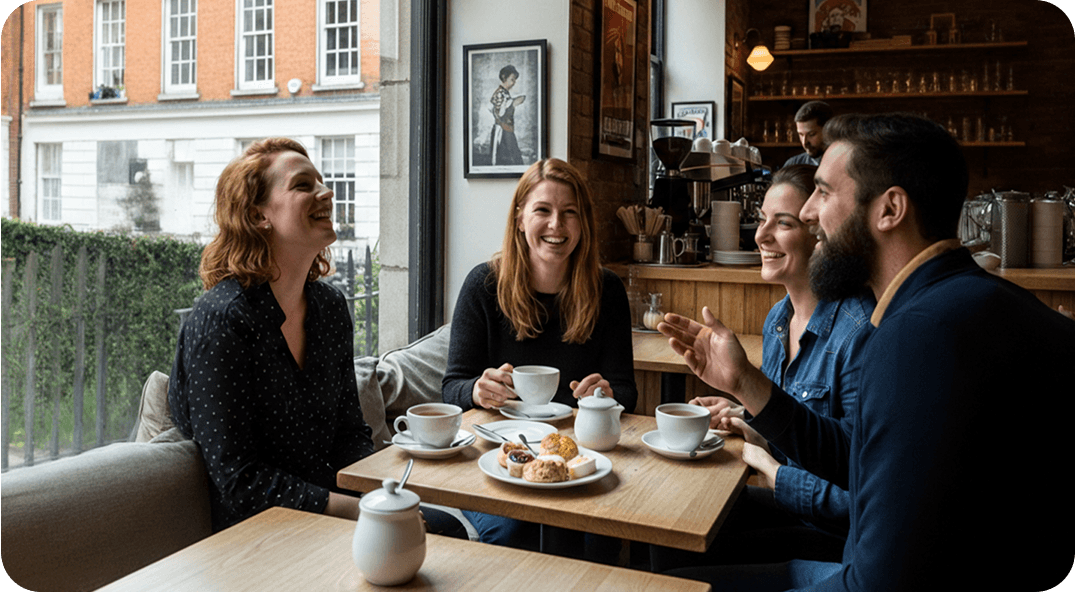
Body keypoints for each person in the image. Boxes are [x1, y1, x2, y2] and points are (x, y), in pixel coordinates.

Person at [658, 113, 1074, 591]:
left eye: (824, 192)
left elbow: (877, 582)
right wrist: (745, 384)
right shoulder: (977, 303)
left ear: (889, 209)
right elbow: (864, 458)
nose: (811, 213)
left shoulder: (917, 337)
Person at [168, 138, 465, 538]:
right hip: (261, 533)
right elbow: (239, 480)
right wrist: (358, 511)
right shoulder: (222, 320)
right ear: (259, 216)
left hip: (336, 509)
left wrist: (384, 496)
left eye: (321, 183)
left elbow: (349, 433)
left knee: (448, 530)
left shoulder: (328, 308)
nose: (326, 193)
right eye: (303, 185)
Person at [649, 164, 874, 572]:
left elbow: (862, 489)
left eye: (782, 223)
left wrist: (772, 472)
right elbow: (799, 434)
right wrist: (745, 419)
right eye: (763, 219)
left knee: (681, 567)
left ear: (820, 233)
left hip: (840, 539)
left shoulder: (858, 331)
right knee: (667, 521)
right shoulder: (777, 320)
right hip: (796, 510)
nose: (760, 235)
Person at [443, 157, 638, 554]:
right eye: (543, 211)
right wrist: (478, 391)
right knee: (516, 535)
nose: (556, 226)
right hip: (502, 460)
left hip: (581, 460)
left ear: (583, 223)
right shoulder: (483, 285)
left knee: (600, 538)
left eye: (570, 213)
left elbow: (627, 392)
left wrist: (607, 395)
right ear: (519, 219)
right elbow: (452, 387)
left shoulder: (607, 290)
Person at [489, 64, 525, 166]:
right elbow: (500, 114)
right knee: (510, 155)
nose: (514, 82)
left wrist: (512, 102)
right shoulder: (499, 94)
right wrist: (512, 103)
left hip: (507, 128)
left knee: (511, 155)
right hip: (502, 129)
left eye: (515, 80)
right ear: (504, 78)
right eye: (512, 79)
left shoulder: (505, 93)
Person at [782, 101, 833, 168]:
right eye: (801, 134)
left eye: (811, 134)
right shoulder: (793, 165)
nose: (804, 142)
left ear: (828, 130)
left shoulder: (846, 164)